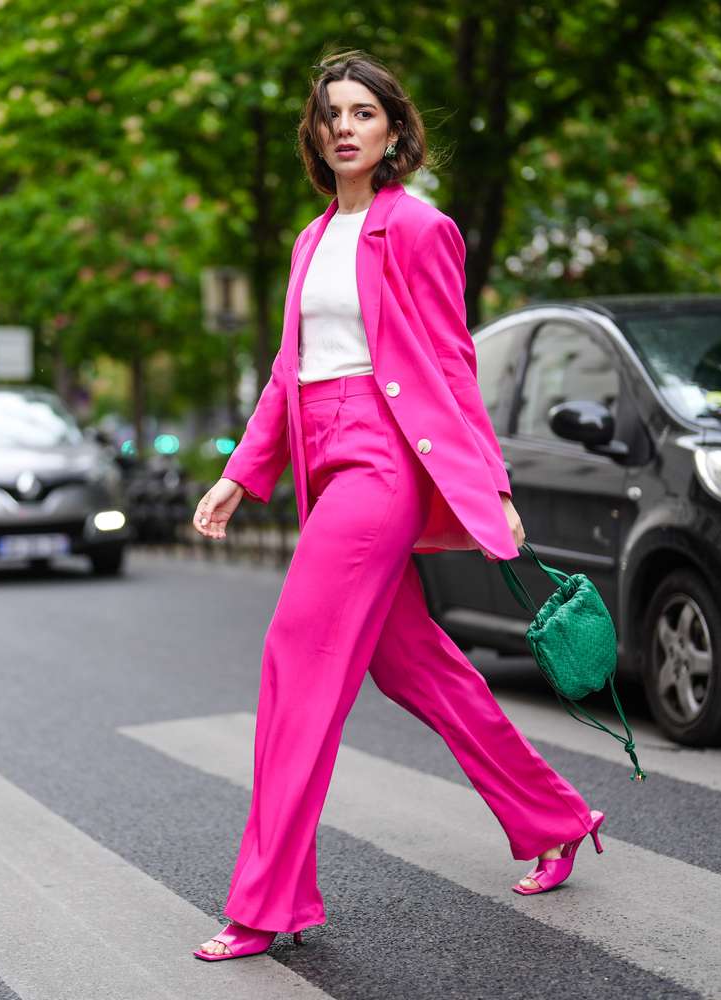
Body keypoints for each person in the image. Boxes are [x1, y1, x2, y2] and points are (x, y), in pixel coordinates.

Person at [189, 51, 606, 963]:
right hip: (322, 463)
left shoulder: (420, 230)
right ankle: (555, 816)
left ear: (392, 132)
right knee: (414, 666)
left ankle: (268, 901)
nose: (345, 125)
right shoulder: (309, 241)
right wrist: (239, 472)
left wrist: (489, 483)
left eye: (364, 112)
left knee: (296, 662)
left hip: (382, 463)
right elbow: (288, 372)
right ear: (317, 133)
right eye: (332, 113)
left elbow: (450, 362)